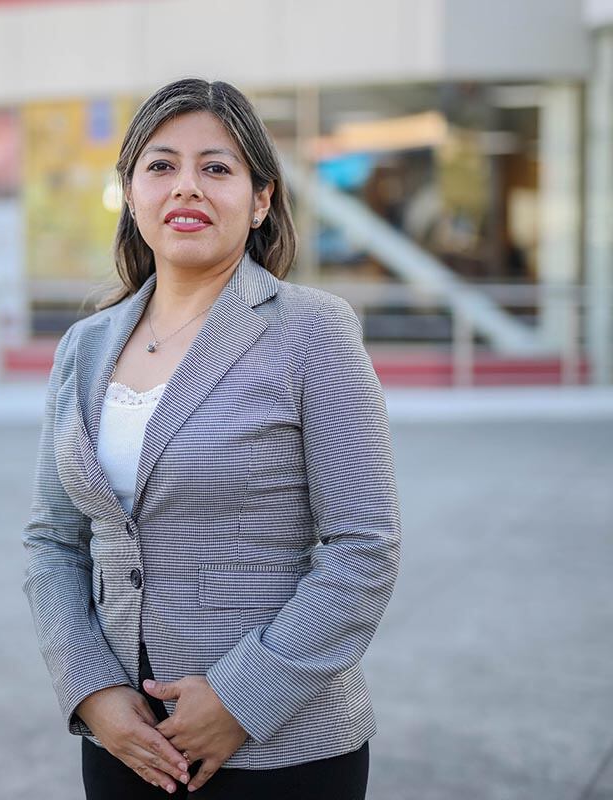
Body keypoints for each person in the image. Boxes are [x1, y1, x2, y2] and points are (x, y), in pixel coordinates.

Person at [21, 77, 401, 800]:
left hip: (282, 748)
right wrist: (93, 690)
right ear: (131, 193)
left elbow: (365, 545)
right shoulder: (85, 345)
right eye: (161, 166)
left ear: (261, 200)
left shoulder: (311, 330)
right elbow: (52, 540)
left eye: (216, 168)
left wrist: (239, 699)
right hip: (123, 745)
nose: (185, 187)